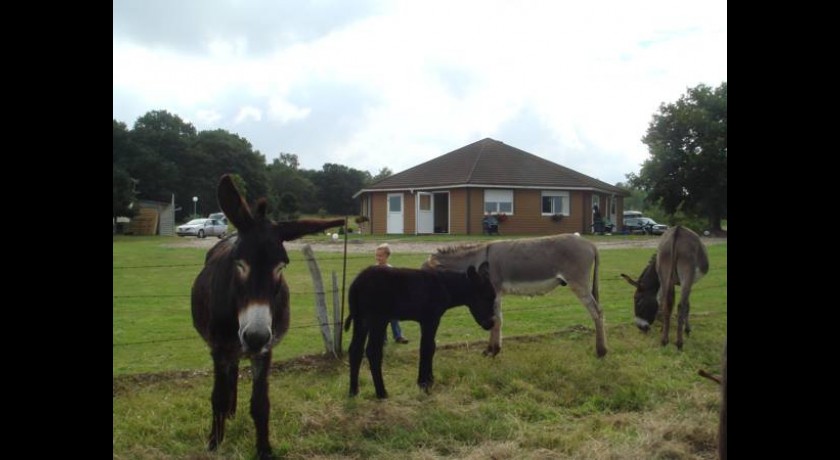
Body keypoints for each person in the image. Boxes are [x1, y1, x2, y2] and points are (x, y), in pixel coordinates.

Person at [375, 243, 409, 344]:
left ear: (387, 256)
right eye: (377, 255)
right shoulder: (374, 270)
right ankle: (382, 339)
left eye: (380, 256)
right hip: (379, 299)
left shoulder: (390, 269)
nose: (378, 258)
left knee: (394, 319)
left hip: (390, 299)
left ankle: (398, 336)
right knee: (381, 320)